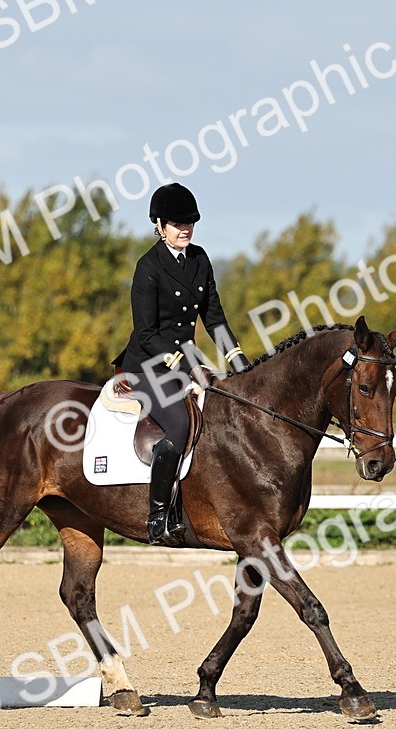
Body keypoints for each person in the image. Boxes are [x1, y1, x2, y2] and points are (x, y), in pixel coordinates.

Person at [112, 183, 250, 546]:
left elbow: (214, 319)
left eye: (189, 223)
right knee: (179, 424)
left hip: (185, 359)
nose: (185, 229)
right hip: (148, 365)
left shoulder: (200, 260)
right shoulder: (148, 267)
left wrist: (239, 363)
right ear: (159, 226)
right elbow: (146, 333)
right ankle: (157, 516)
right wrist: (189, 365)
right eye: (177, 224)